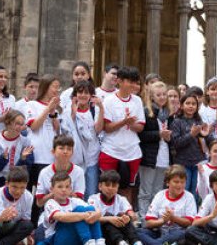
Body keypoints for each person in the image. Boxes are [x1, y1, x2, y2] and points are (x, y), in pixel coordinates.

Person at [100, 67, 146, 202]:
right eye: (129, 81)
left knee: (128, 188)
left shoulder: (137, 101)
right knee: (108, 186)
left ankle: (127, 216)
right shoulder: (109, 101)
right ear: (119, 81)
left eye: (135, 82)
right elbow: (107, 128)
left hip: (132, 151)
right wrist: (124, 121)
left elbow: (140, 127)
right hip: (111, 150)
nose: (133, 85)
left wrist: (130, 124)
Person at [139, 165, 199, 245]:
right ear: (167, 182)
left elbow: (190, 222)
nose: (180, 185)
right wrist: (163, 220)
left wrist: (173, 218)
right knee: (138, 232)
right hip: (160, 232)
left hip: (178, 234)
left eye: (182, 182)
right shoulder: (160, 195)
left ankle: (155, 243)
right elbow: (149, 223)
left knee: (184, 233)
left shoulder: (189, 197)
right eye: (176, 182)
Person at [37, 171, 102, 245]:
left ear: (71, 189)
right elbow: (60, 217)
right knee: (80, 210)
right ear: (51, 189)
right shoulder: (50, 203)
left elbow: (95, 210)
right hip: (56, 239)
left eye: (67, 186)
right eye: (60, 187)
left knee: (90, 208)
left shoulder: (74, 201)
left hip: (74, 236)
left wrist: (97, 213)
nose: (64, 190)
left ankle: (98, 241)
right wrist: (85, 215)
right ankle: (88, 241)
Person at [62, 80, 103, 198]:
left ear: (91, 95)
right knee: (75, 194)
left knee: (91, 193)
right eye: (80, 92)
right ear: (75, 95)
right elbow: (65, 131)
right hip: (74, 159)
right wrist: (74, 113)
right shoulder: (67, 111)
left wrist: (102, 108)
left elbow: (97, 130)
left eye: (86, 92)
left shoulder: (95, 110)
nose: (83, 95)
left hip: (92, 158)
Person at [25, 74, 63, 197]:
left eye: (58, 87)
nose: (57, 90)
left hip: (51, 156)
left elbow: (57, 131)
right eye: (54, 87)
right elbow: (34, 126)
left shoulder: (55, 109)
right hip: (36, 155)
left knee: (48, 192)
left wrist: (53, 113)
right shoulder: (32, 105)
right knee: (33, 191)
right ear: (46, 87)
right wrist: (48, 108)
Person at [138, 80, 173, 212]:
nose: (162, 97)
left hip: (163, 156)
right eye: (159, 95)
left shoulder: (168, 114)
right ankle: (143, 218)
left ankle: (154, 216)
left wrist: (169, 138)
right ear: (152, 96)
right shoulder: (147, 112)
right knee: (146, 191)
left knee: (158, 191)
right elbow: (141, 135)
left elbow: (171, 136)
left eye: (164, 94)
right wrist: (159, 134)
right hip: (150, 157)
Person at [89, 170, 140, 245]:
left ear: (117, 187)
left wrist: (128, 217)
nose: (110, 188)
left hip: (120, 230)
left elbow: (132, 214)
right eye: (107, 185)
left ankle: (136, 242)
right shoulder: (93, 199)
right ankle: (120, 242)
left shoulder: (121, 199)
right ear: (100, 186)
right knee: (107, 217)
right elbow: (91, 218)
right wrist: (110, 219)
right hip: (102, 234)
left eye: (114, 186)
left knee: (123, 217)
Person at [0, 110, 34, 187]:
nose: (20, 127)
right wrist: (2, 158)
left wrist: (23, 159)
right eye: (17, 123)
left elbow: (27, 168)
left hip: (17, 180)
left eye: (22, 124)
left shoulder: (25, 141)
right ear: (8, 124)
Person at [37, 135, 86, 206]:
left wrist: (66, 192)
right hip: (50, 210)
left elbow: (79, 199)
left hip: (72, 212)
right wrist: (54, 193)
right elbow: (39, 203)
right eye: (61, 148)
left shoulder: (79, 171)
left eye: (69, 149)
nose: (65, 151)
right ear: (53, 151)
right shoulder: (44, 172)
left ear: (72, 152)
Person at [0, 166, 35, 237]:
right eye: (14, 187)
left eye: (22, 187)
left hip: (15, 230)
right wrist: (6, 217)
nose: (18, 191)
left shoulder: (28, 196)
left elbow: (26, 219)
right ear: (7, 184)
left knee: (28, 226)